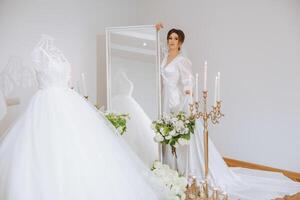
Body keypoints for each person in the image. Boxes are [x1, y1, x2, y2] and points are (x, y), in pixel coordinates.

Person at [0, 35, 162, 200]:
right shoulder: (38, 53)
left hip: (69, 101)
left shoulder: (58, 54)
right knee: (47, 148)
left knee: (82, 149)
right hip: (46, 105)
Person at [156, 23, 300, 199]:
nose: (171, 41)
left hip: (178, 100)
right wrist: (155, 30)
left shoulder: (182, 60)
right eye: (169, 37)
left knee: (185, 135)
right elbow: (155, 48)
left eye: (175, 38)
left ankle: (191, 171)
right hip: (166, 99)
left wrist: (188, 95)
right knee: (168, 134)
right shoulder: (164, 56)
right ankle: (172, 168)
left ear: (180, 43)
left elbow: (188, 81)